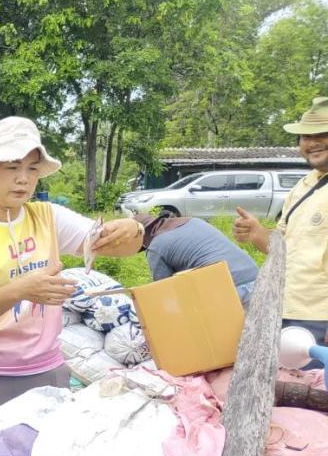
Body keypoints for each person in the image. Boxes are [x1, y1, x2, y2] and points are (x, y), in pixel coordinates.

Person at [0, 116, 142, 418]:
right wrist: (22, 289)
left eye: (32, 169)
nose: (23, 178)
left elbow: (120, 245)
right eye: (11, 168)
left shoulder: (48, 217)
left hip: (43, 373)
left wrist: (133, 229)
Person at [234, 96, 328, 367]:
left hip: (321, 316)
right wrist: (257, 232)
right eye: (305, 137)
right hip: (286, 307)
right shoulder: (304, 186)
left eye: (322, 134)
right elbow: (282, 247)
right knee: (291, 393)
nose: (311, 143)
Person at [134, 213, 258, 304]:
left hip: (231, 289)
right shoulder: (193, 221)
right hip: (257, 278)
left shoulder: (156, 247)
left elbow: (165, 293)